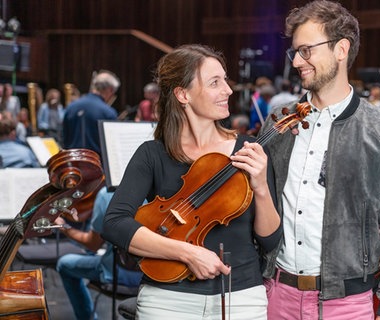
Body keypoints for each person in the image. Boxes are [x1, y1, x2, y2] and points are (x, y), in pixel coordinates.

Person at [260, 1, 380, 319]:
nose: (297, 62)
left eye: (307, 50)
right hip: (275, 295)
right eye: (295, 52)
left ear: (341, 49)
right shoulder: (278, 120)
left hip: (346, 305)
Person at [102, 44, 282, 319]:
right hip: (166, 300)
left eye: (225, 79)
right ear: (183, 94)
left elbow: (270, 241)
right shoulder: (153, 154)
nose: (228, 90)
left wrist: (260, 186)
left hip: (241, 298)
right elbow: (115, 223)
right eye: (215, 82)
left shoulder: (249, 150)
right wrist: (188, 253)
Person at [55, 186, 143, 320]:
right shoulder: (164, 194)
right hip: (153, 277)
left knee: (64, 264)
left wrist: (64, 227)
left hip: (116, 273)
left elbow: (93, 245)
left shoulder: (106, 194)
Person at [62, 70, 119, 155]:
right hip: (97, 166)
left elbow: (65, 140)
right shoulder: (108, 112)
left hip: (72, 164)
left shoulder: (70, 107)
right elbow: (112, 147)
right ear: (110, 90)